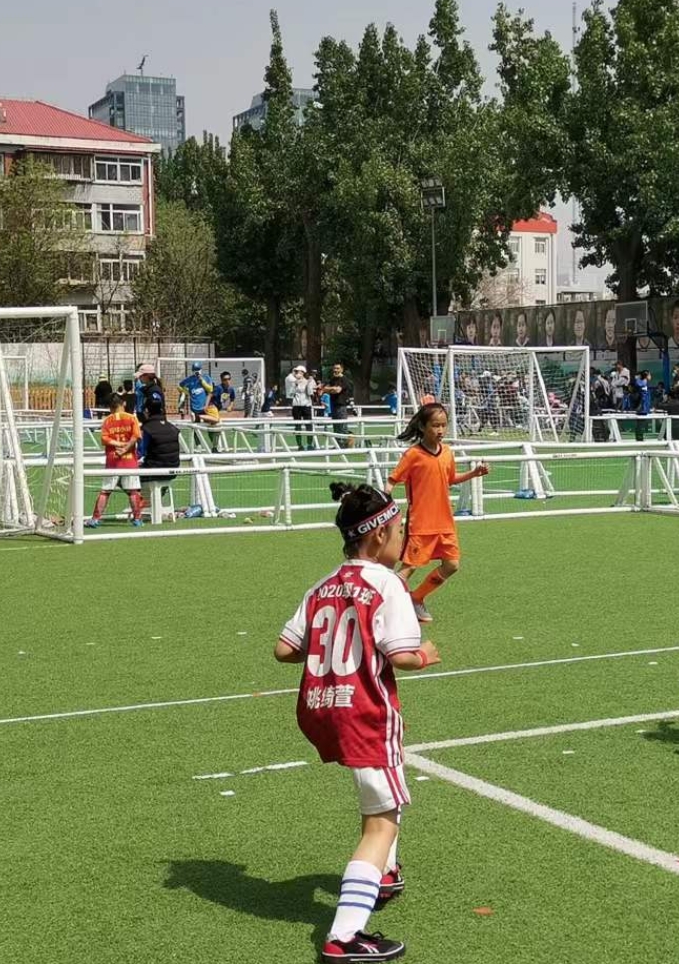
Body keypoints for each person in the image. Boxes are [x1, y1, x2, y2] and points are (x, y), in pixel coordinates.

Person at [273, 482, 442, 963]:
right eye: (398, 531)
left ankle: (384, 873)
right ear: (378, 535)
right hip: (364, 709)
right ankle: (345, 935)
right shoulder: (387, 584)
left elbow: (284, 649)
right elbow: (402, 655)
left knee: (382, 787)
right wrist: (425, 655)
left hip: (322, 706)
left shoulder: (323, 584)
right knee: (381, 821)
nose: (401, 540)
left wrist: (330, 649)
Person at [389, 403, 490, 622]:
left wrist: (474, 473)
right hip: (421, 524)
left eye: (444, 425)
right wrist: (384, 507)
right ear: (423, 426)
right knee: (409, 568)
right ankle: (380, 604)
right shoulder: (413, 454)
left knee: (452, 565)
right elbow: (391, 482)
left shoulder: (447, 453)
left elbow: (450, 479)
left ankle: (416, 598)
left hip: (445, 522)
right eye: (435, 425)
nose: (441, 430)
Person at [86, 394, 145, 528]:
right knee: (133, 491)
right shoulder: (131, 418)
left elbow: (104, 439)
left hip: (113, 460)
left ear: (110, 407)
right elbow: (136, 436)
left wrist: (118, 445)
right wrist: (125, 448)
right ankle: (137, 519)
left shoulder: (107, 420)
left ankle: (95, 519)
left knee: (105, 491)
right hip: (129, 460)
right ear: (123, 403)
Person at [139, 397, 183, 514]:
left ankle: (141, 504)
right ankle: (151, 503)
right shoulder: (172, 427)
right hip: (173, 469)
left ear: (147, 411)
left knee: (125, 476)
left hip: (154, 470)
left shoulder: (147, 428)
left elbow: (140, 452)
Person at [286, 364, 316, 450]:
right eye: (295, 372)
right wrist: (295, 384)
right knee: (297, 426)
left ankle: (309, 444)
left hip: (306, 405)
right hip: (296, 406)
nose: (296, 373)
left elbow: (310, 393)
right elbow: (290, 394)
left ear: (303, 373)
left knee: (308, 425)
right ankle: (300, 445)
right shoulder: (292, 381)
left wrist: (309, 383)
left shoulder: (308, 381)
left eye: (298, 371)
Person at [324, 363, 353, 449]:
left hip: (341, 405)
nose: (335, 370)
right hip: (333, 405)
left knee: (342, 426)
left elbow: (337, 391)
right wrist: (332, 388)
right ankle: (338, 445)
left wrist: (331, 389)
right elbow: (325, 389)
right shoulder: (333, 379)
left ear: (342, 370)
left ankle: (346, 444)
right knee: (336, 426)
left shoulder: (344, 379)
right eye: (334, 368)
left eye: (337, 368)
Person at [633, 370, 653, 442]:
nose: (650, 376)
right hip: (642, 407)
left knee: (640, 423)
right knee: (641, 423)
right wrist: (644, 406)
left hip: (642, 406)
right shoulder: (643, 383)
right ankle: (639, 437)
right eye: (649, 375)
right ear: (646, 376)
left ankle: (639, 437)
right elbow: (643, 397)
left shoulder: (640, 382)